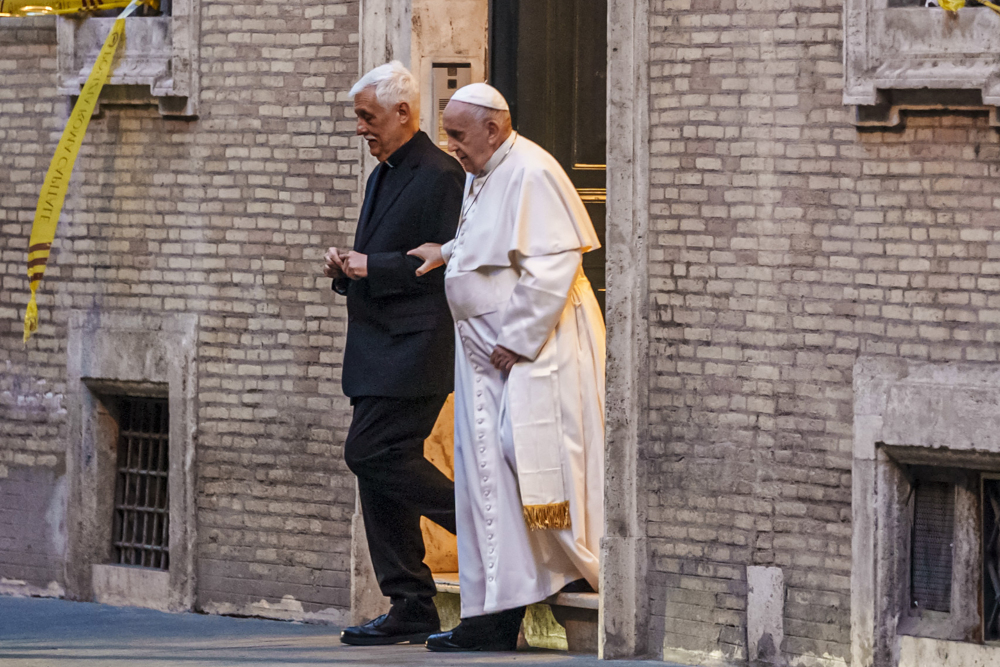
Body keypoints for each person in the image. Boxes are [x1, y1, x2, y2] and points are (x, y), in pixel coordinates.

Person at [408, 83, 606, 652]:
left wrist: (518, 340)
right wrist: (447, 252)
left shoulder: (533, 170)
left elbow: (554, 262)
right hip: (487, 358)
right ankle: (491, 614)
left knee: (527, 463)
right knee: (485, 484)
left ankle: (572, 572)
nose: (450, 147)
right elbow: (490, 237)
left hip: (538, 353)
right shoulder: (485, 167)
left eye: (458, 135)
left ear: (493, 129)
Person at [325, 61, 465, 646]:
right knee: (377, 471)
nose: (361, 128)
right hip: (377, 347)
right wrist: (347, 268)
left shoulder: (440, 174)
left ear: (403, 113)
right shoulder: (382, 173)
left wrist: (370, 266)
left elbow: (449, 262)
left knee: (371, 453)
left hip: (416, 347)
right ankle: (409, 602)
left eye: (368, 116)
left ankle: (483, 525)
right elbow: (380, 255)